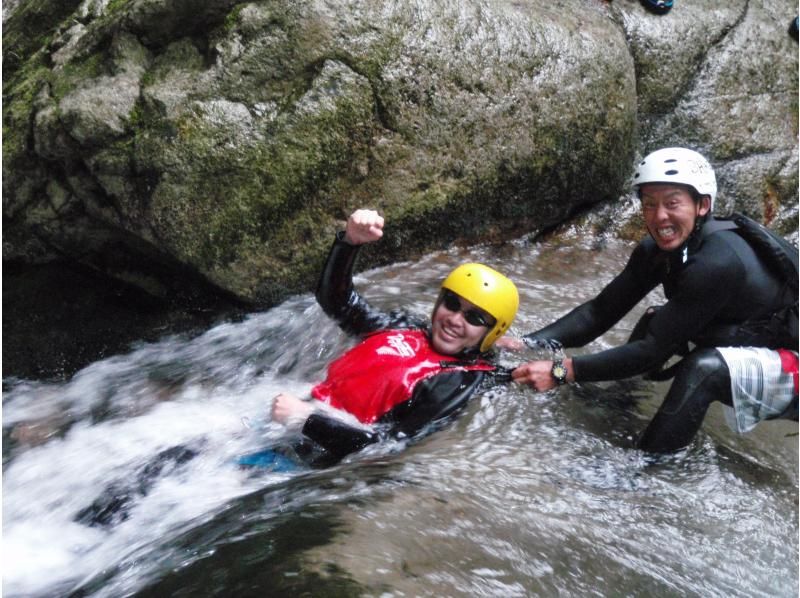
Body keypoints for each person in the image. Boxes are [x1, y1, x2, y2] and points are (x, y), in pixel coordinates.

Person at [501, 147, 798, 453]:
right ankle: (617, 405)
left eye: (672, 204)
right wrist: (525, 343)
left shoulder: (718, 261)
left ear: (702, 205)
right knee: (657, 319)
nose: (659, 217)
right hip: (762, 335)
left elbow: (649, 351)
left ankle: (645, 470)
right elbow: (598, 313)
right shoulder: (657, 250)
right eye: (649, 204)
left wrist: (559, 372)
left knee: (704, 369)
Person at [260, 208, 519, 467]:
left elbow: (386, 448)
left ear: (492, 332)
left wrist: (306, 420)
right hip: (286, 422)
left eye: (474, 318)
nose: (454, 319)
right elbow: (336, 302)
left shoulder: (457, 382)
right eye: (451, 303)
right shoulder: (403, 327)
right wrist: (349, 242)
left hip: (311, 458)